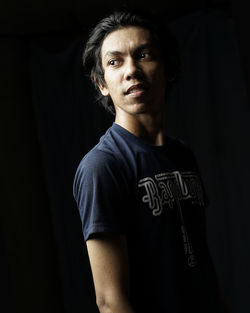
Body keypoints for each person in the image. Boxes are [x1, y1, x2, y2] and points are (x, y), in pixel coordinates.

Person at [73, 9, 229, 313]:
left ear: (168, 68)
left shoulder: (181, 154)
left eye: (144, 55)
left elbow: (201, 265)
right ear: (101, 84)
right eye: (114, 62)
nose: (131, 70)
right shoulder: (102, 166)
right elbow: (110, 301)